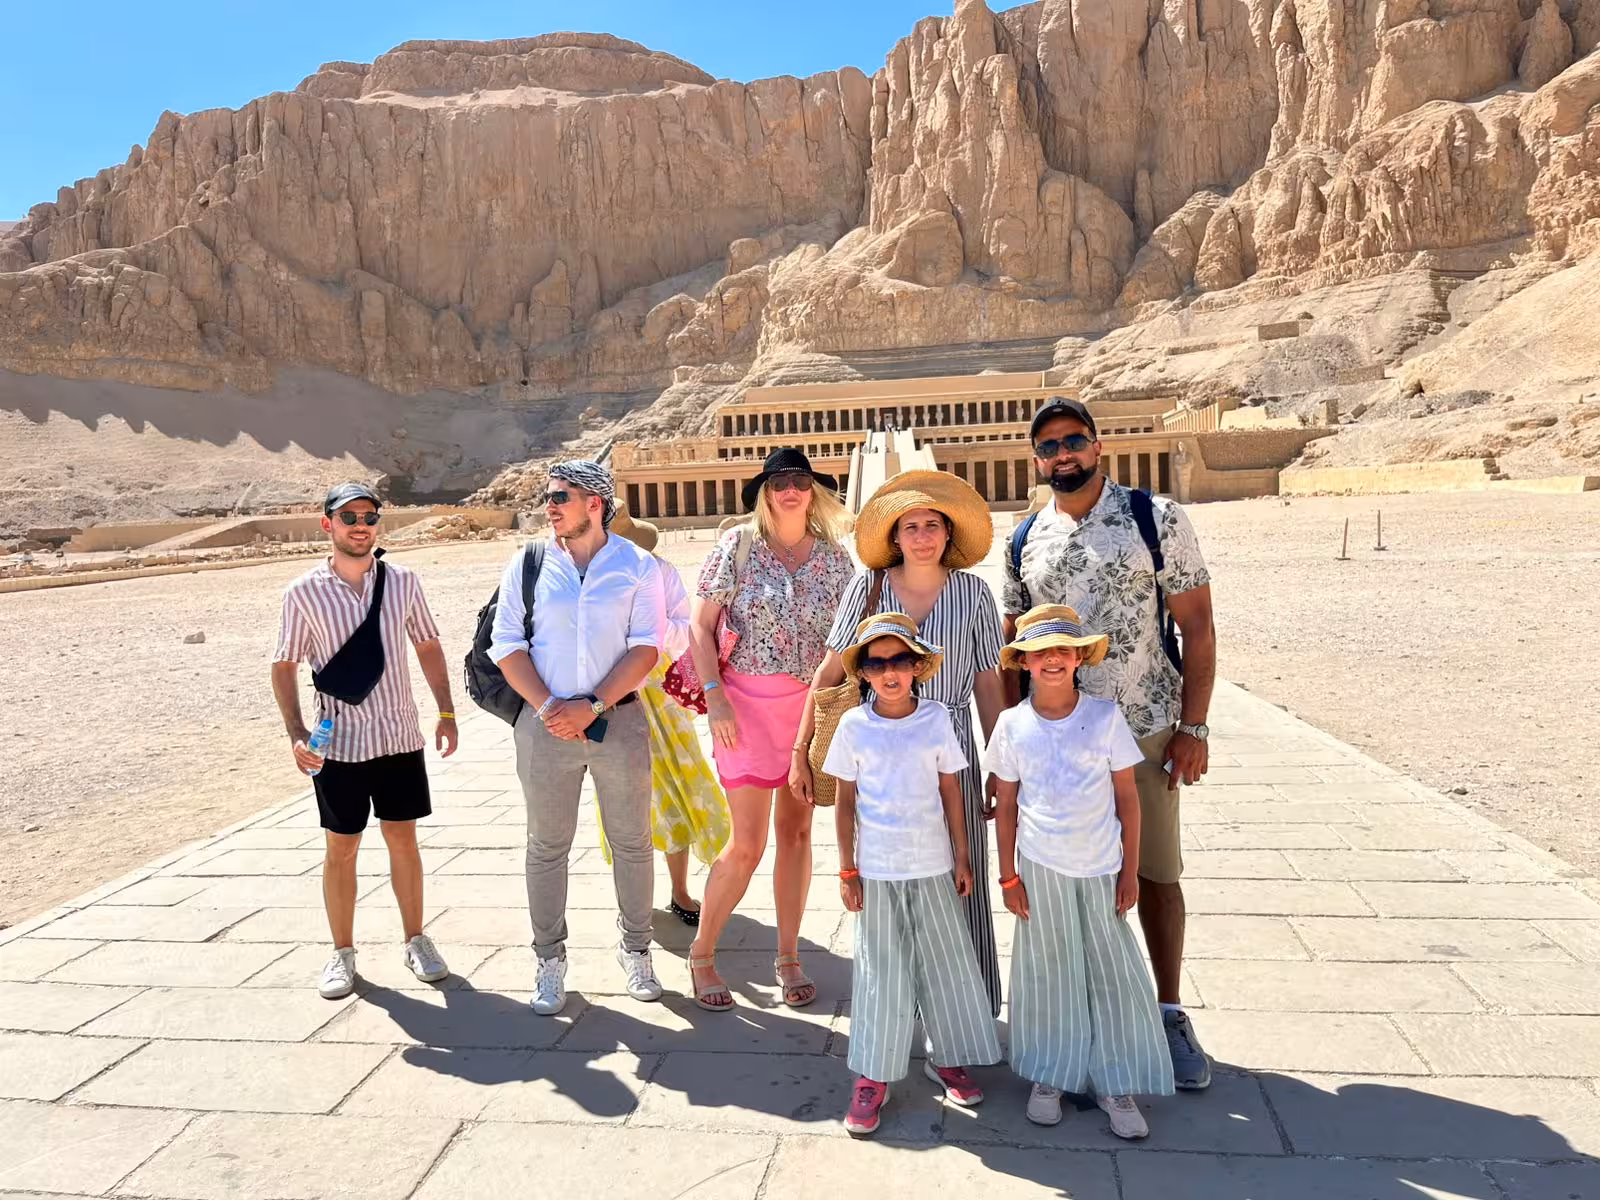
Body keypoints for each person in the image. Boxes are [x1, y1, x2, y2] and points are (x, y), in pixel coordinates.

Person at [1001, 395, 1218, 1091]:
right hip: (1055, 739)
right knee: (1063, 880)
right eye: (1049, 446)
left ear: (1098, 447)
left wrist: (1194, 726)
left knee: (1154, 874)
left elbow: (1199, 626)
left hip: (1144, 724)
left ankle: (1167, 1010)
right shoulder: (1024, 539)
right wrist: (1009, 747)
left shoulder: (1155, 519)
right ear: (1036, 460)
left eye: (1073, 441)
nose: (1062, 454)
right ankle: (1085, 1018)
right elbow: (1014, 648)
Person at [792, 469, 1006, 1015]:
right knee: (887, 873)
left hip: (950, 742)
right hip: (879, 750)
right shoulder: (869, 588)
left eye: (932, 524)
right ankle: (898, 1001)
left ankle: (965, 1003)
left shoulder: (973, 592)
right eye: (910, 526)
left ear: (948, 533)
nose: (921, 535)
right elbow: (832, 668)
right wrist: (801, 750)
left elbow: (986, 681)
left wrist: (1003, 766)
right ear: (894, 536)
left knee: (963, 870)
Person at [487, 460, 666, 1015]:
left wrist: (592, 705)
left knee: (632, 842)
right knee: (546, 846)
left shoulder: (638, 565)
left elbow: (646, 647)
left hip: (619, 721)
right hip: (545, 727)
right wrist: (549, 707)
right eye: (548, 496)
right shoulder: (529, 563)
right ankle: (549, 959)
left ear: (595, 502)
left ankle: (637, 949)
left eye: (560, 496)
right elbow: (506, 643)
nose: (550, 505)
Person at [989, 604, 1174, 1139]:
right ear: (1023, 662)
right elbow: (1006, 805)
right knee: (1049, 972)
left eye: (1063, 650)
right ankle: (1049, 1075)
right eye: (1040, 651)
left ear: (1078, 658)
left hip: (1099, 866)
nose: (1052, 659)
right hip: (1040, 866)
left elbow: (1127, 799)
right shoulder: (1011, 724)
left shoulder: (1103, 716)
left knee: (1110, 972)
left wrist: (1131, 871)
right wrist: (1008, 876)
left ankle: (1114, 1080)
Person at [270, 482, 457, 999]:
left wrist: (445, 711)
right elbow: (283, 664)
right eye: (348, 515)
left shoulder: (402, 582)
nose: (360, 524)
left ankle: (416, 939)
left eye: (370, 516)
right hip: (340, 744)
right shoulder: (302, 593)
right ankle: (342, 953)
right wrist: (295, 732)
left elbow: (428, 644)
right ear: (326, 523)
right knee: (341, 847)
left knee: (404, 840)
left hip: (398, 735)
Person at [686, 448, 853, 1011]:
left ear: (813, 490)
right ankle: (703, 953)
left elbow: (850, 635)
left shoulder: (834, 558)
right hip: (744, 710)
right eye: (779, 481)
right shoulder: (736, 546)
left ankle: (788, 956)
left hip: (807, 712)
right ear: (764, 491)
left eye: (800, 481)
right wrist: (715, 699)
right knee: (747, 844)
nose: (790, 490)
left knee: (799, 835)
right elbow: (700, 627)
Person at [825, 614, 1002, 1136]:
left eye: (900, 660)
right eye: (876, 663)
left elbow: (951, 791)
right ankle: (873, 1075)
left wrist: (963, 857)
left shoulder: (936, 719)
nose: (889, 672)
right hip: (877, 869)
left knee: (943, 963)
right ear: (863, 674)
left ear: (918, 667)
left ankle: (944, 1057)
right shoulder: (855, 725)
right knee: (882, 972)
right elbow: (845, 801)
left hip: (933, 864)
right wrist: (847, 869)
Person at [601, 505, 731, 924]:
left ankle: (680, 891)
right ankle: (630, 900)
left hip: (660, 687)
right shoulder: (590, 577)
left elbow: (683, 630)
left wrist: (647, 628)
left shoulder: (661, 571)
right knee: (627, 796)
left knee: (679, 788)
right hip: (610, 690)